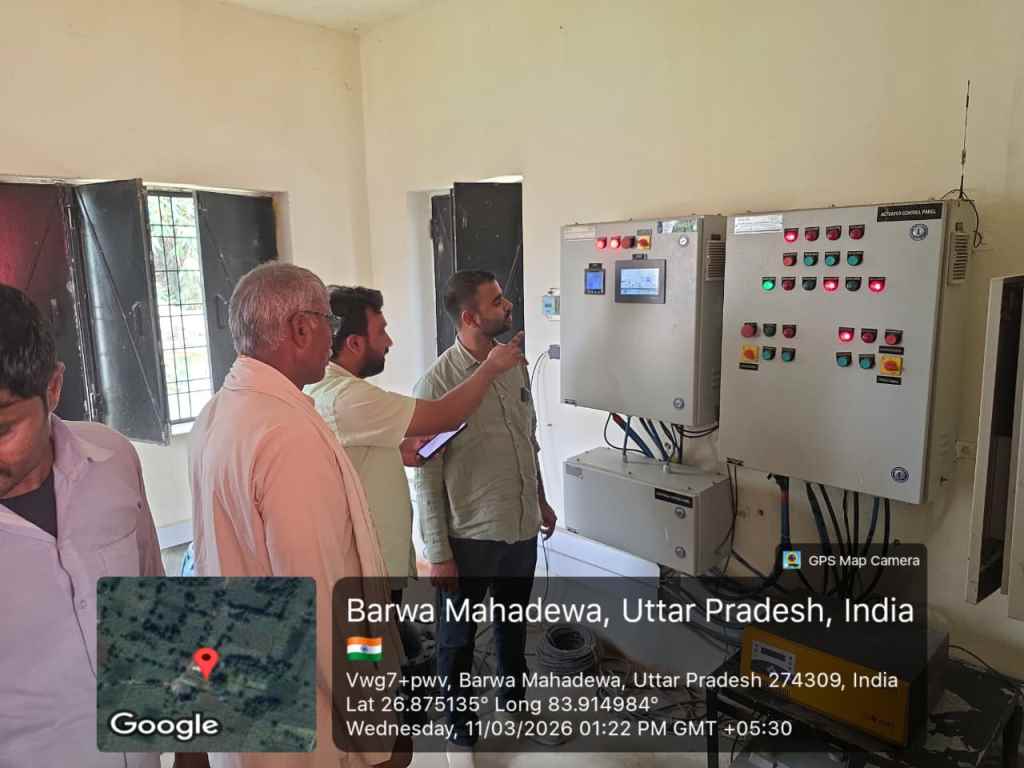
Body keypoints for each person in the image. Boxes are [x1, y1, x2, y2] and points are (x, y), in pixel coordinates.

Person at [189, 264, 409, 768]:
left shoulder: (221, 410)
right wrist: (372, 730)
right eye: (328, 323)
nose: (333, 337)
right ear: (301, 328)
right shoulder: (285, 434)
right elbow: (322, 599)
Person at [0, 284, 205, 768]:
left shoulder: (111, 459)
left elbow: (159, 604)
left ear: (53, 387)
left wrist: (191, 742)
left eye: (2, 429)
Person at [409, 270, 557, 766]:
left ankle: (514, 703)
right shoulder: (436, 384)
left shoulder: (512, 365)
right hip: (467, 537)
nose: (508, 304)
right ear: (470, 318)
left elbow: (527, 439)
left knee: (512, 625)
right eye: (497, 301)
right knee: (456, 641)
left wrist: (540, 499)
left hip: (519, 526)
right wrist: (438, 552)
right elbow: (425, 475)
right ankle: (459, 735)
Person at [305, 285, 525, 594]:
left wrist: (396, 450)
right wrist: (489, 369)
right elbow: (445, 415)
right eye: (381, 332)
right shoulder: (348, 397)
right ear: (354, 343)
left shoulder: (327, 390)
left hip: (374, 565)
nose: (390, 341)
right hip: (366, 573)